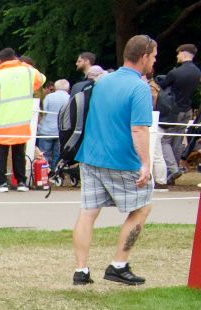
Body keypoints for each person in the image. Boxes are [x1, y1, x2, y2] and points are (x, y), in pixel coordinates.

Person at [72, 35, 159, 286]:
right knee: (142, 208)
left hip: (91, 156)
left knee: (88, 212)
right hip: (121, 159)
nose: (154, 61)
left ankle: (81, 270)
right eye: (153, 56)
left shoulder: (103, 81)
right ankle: (118, 264)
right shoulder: (139, 88)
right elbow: (139, 129)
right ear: (144, 57)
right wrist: (145, 164)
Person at [0, 47, 44, 191]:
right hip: (22, 121)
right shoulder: (28, 72)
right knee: (19, 153)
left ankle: (1, 182)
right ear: (15, 58)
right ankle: (21, 182)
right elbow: (41, 79)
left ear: (0, 60)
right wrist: (23, 64)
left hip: (1, 122)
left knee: (1, 154)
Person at [155, 43, 197, 180]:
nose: (177, 56)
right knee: (178, 140)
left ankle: (173, 169)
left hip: (175, 110)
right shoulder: (197, 72)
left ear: (184, 53)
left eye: (178, 53)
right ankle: (175, 168)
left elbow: (162, 85)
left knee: (164, 140)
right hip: (187, 110)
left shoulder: (175, 72)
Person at [38, 78, 71, 172]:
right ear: (68, 88)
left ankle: (44, 173)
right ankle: (55, 173)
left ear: (56, 87)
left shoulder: (49, 97)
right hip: (61, 131)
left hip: (46, 130)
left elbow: (43, 112)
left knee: (44, 154)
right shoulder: (70, 98)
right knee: (58, 155)